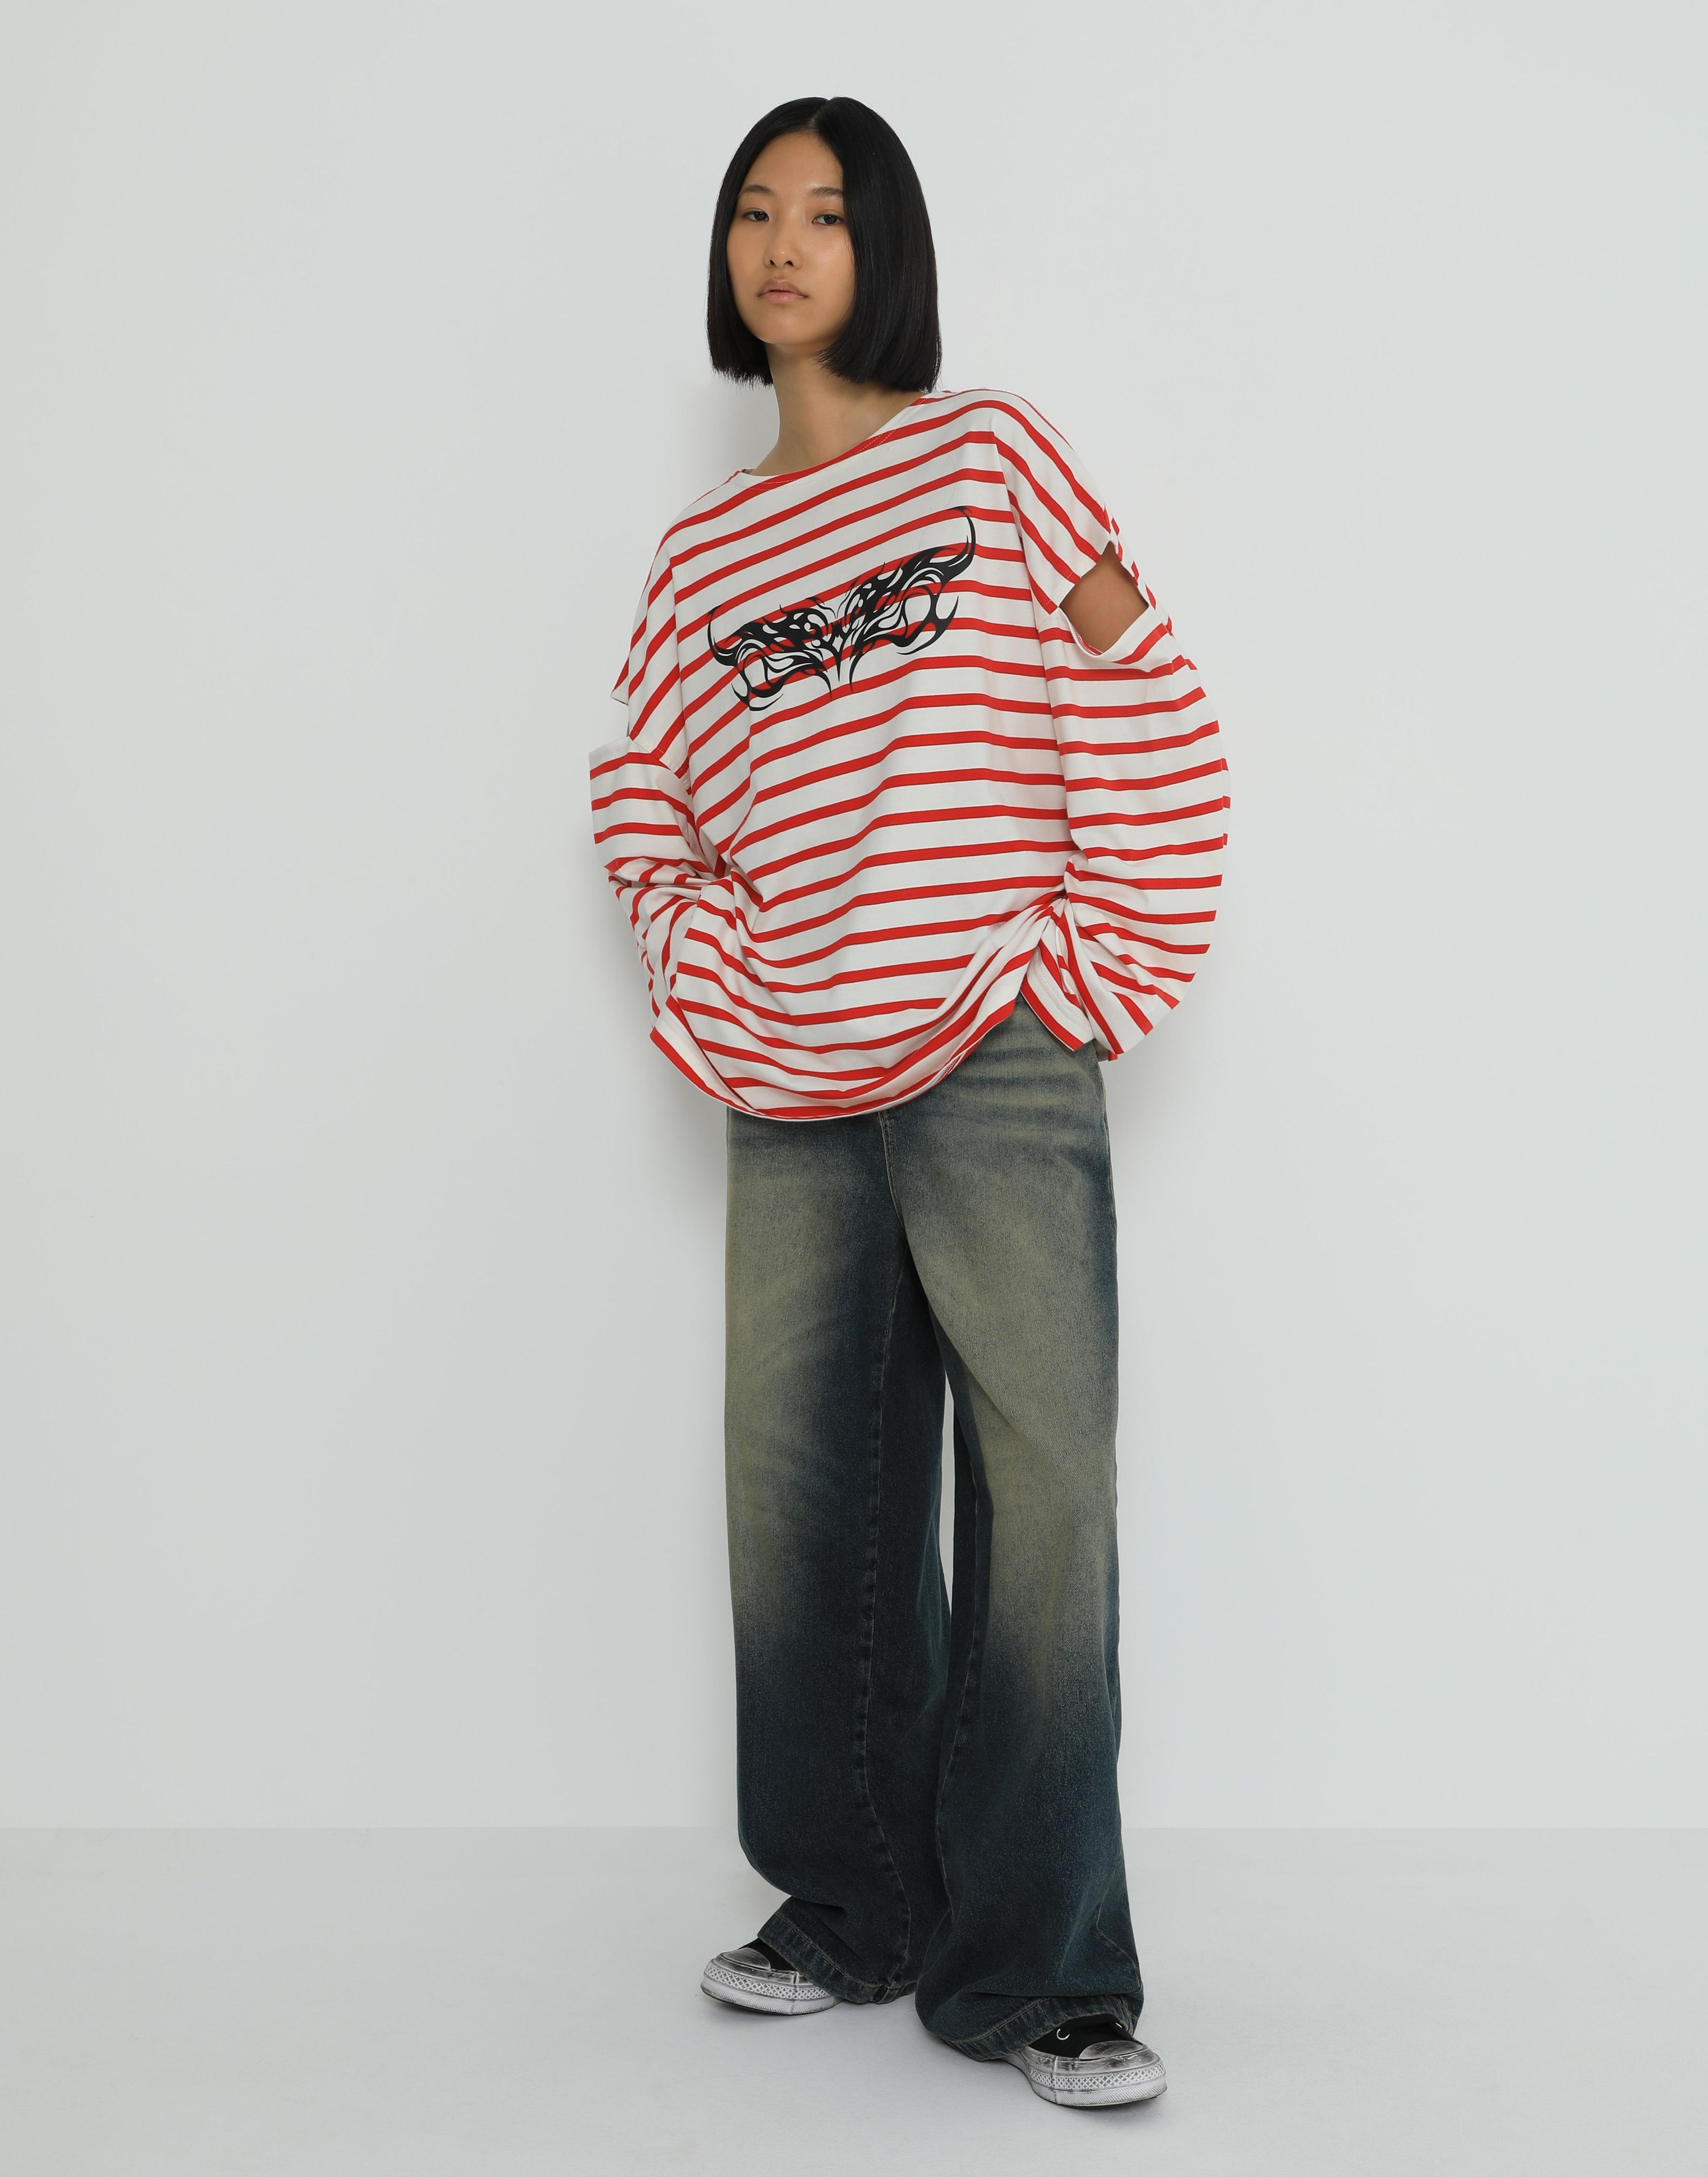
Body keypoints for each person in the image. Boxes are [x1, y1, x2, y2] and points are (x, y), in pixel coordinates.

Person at [589, 95, 1228, 2110]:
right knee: (802, 1492)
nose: (783, 245)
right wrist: (712, 970)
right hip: (791, 1067)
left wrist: (1081, 966)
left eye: (828, 212)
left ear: (889, 249)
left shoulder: (991, 457)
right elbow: (643, 801)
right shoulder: (702, 554)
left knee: (1043, 1501)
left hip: (994, 1044)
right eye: (752, 212)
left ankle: (1040, 1974)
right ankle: (855, 1903)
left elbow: (1149, 693)